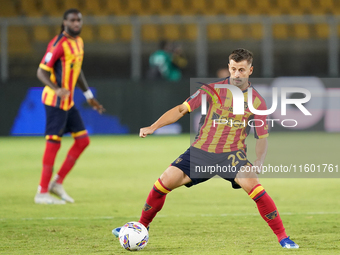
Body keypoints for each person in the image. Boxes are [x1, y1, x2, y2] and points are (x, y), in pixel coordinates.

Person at [113, 48, 299, 249]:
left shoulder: (257, 101)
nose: (237, 74)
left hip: (232, 156)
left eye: (242, 70)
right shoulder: (212, 89)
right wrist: (153, 127)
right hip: (200, 152)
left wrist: (259, 161)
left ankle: (283, 237)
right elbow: (181, 109)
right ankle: (141, 227)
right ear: (229, 67)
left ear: (250, 70)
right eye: (234, 69)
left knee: (255, 188)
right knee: (162, 183)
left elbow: (262, 137)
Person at [34, 9, 105, 204]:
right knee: (53, 144)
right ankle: (42, 192)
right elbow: (41, 72)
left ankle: (56, 183)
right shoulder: (58, 44)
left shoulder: (79, 42)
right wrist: (56, 89)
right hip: (54, 101)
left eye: (79, 20)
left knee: (83, 141)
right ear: (64, 22)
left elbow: (77, 70)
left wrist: (89, 95)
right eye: (72, 20)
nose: (76, 23)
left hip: (69, 102)